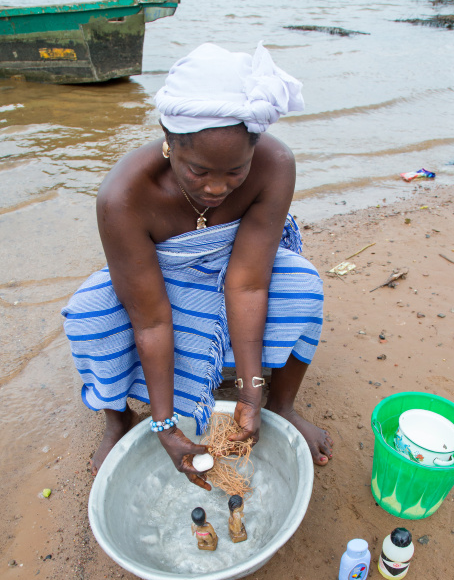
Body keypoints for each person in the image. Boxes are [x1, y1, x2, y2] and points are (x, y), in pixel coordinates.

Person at [62, 42, 333, 489]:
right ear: (169, 141)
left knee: (302, 286)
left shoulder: (275, 165)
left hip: (237, 273)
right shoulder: (123, 196)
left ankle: (282, 406)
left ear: (255, 148)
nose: (217, 188)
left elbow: (247, 286)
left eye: (235, 172)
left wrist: (251, 393)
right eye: (199, 171)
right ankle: (119, 418)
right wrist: (164, 425)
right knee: (91, 314)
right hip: (157, 284)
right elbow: (149, 321)